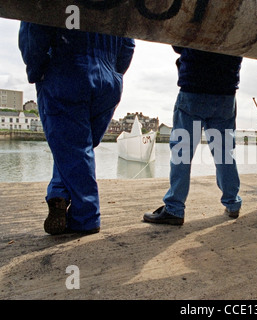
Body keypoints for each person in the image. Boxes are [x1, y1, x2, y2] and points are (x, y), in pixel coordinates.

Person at [19, 22, 135, 235]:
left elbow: (33, 28)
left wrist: (37, 71)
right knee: (77, 149)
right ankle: (59, 191)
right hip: (108, 81)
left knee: (73, 148)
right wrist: (113, 72)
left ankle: (86, 218)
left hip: (66, 71)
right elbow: (128, 42)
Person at [143, 47, 243, 225]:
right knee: (224, 153)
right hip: (225, 93)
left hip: (193, 89)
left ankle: (174, 209)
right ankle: (232, 203)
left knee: (182, 153)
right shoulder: (238, 20)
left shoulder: (200, 18)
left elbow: (178, 43)